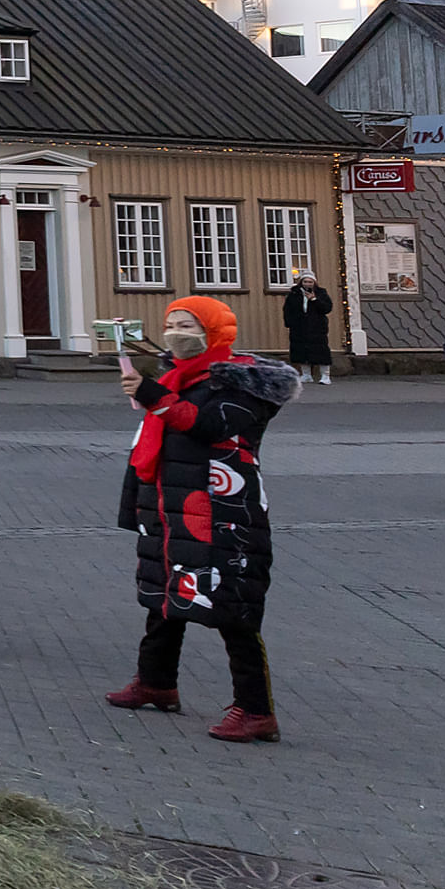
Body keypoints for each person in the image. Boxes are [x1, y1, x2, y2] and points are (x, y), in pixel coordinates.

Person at [102, 296, 292, 741]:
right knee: (164, 598)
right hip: (171, 508)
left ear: (214, 332)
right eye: (170, 324)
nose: (175, 333)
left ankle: (255, 709)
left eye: (187, 325)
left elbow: (207, 426)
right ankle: (156, 682)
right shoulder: (175, 376)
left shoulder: (245, 384)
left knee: (233, 610)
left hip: (223, 512)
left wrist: (153, 396)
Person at [281, 274, 336, 384]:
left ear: (314, 283)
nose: (307, 284)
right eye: (305, 281)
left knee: (321, 350)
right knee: (301, 349)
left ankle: (325, 375)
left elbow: (327, 308)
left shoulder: (321, 293)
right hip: (299, 326)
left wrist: (314, 299)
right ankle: (306, 374)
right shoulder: (294, 294)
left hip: (316, 326)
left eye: (310, 282)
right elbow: (287, 309)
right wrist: (290, 323)